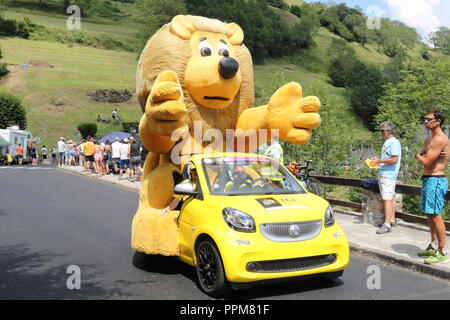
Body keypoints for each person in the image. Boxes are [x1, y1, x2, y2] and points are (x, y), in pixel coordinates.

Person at [415, 109, 449, 264]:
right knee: (429, 214)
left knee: (435, 215)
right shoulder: (428, 139)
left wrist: (419, 156)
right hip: (428, 179)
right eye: (425, 119)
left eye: (428, 119)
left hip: (436, 180)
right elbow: (425, 156)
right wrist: (422, 156)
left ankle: (442, 251)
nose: (425, 122)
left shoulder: (441, 139)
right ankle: (433, 245)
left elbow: (426, 161)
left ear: (438, 121)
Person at [369, 121, 401, 234]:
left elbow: (394, 160)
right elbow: (388, 159)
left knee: (386, 198)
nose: (381, 132)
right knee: (391, 196)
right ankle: (391, 220)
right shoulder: (388, 142)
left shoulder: (394, 142)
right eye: (381, 130)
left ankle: (386, 224)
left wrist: (379, 160)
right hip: (385, 173)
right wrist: (377, 163)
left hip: (388, 175)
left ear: (389, 130)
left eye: (382, 130)